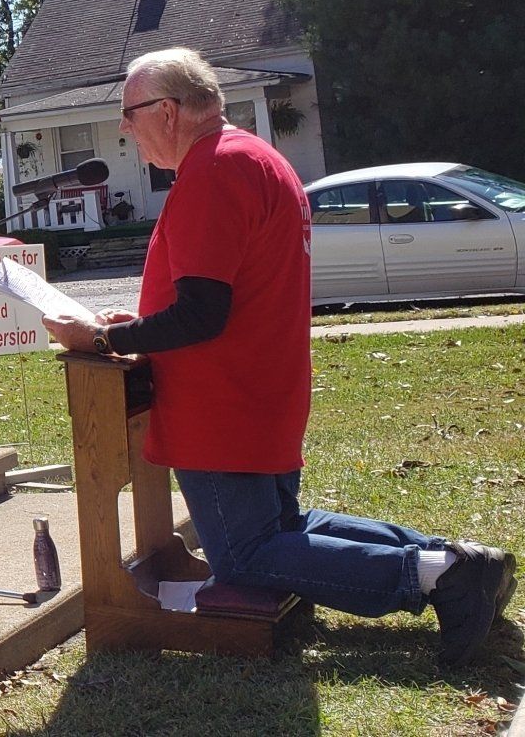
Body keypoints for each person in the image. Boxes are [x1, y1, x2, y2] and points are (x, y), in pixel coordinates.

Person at [42, 48, 515, 666]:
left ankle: (438, 577)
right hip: (261, 386)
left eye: (129, 114)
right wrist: (133, 325)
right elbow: (224, 293)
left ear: (167, 111)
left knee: (246, 556)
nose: (125, 128)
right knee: (280, 530)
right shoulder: (255, 157)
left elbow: (203, 314)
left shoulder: (213, 170)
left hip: (222, 402)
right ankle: (456, 559)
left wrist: (102, 341)